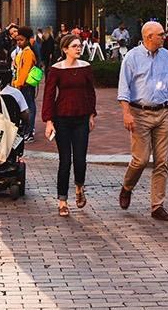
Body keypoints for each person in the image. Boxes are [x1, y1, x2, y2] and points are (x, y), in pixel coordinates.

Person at [117, 21, 168, 221]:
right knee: (141, 160)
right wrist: (126, 113)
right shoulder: (131, 57)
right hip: (140, 113)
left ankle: (157, 206)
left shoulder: (166, 57)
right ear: (148, 37)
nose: (165, 37)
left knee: (162, 161)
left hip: (162, 112)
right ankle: (127, 187)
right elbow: (124, 89)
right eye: (161, 34)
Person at [42, 35, 97, 217]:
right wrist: (49, 121)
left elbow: (90, 91)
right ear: (65, 49)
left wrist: (91, 114)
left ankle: (79, 186)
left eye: (79, 46)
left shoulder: (85, 67)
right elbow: (49, 96)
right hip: (62, 119)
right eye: (74, 46)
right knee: (65, 161)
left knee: (80, 160)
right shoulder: (56, 69)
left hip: (81, 118)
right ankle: (62, 201)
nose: (78, 48)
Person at [12, 26, 39, 142]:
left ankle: (29, 131)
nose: (18, 42)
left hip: (25, 86)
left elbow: (24, 71)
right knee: (27, 107)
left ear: (27, 40)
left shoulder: (28, 53)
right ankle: (26, 130)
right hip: (22, 85)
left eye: (21, 40)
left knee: (29, 108)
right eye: (17, 40)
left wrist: (17, 83)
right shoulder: (23, 52)